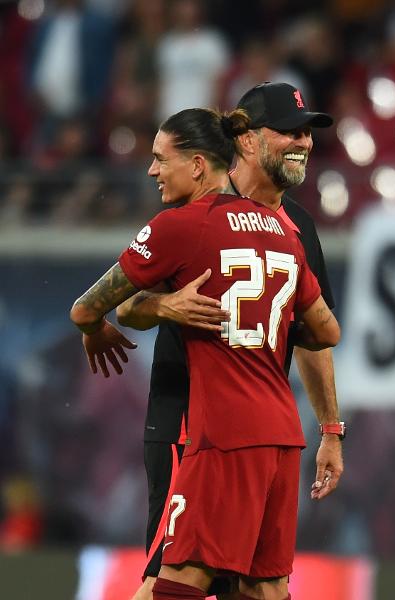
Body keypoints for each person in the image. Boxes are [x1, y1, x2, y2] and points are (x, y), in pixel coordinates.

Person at [70, 105, 340, 600]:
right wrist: (267, 322)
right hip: (282, 433)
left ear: (197, 165)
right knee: (264, 587)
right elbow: (327, 331)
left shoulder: (180, 225)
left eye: (160, 159)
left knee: (171, 580)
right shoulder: (286, 229)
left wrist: (95, 329)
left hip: (215, 431)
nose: (152, 170)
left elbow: (89, 308)